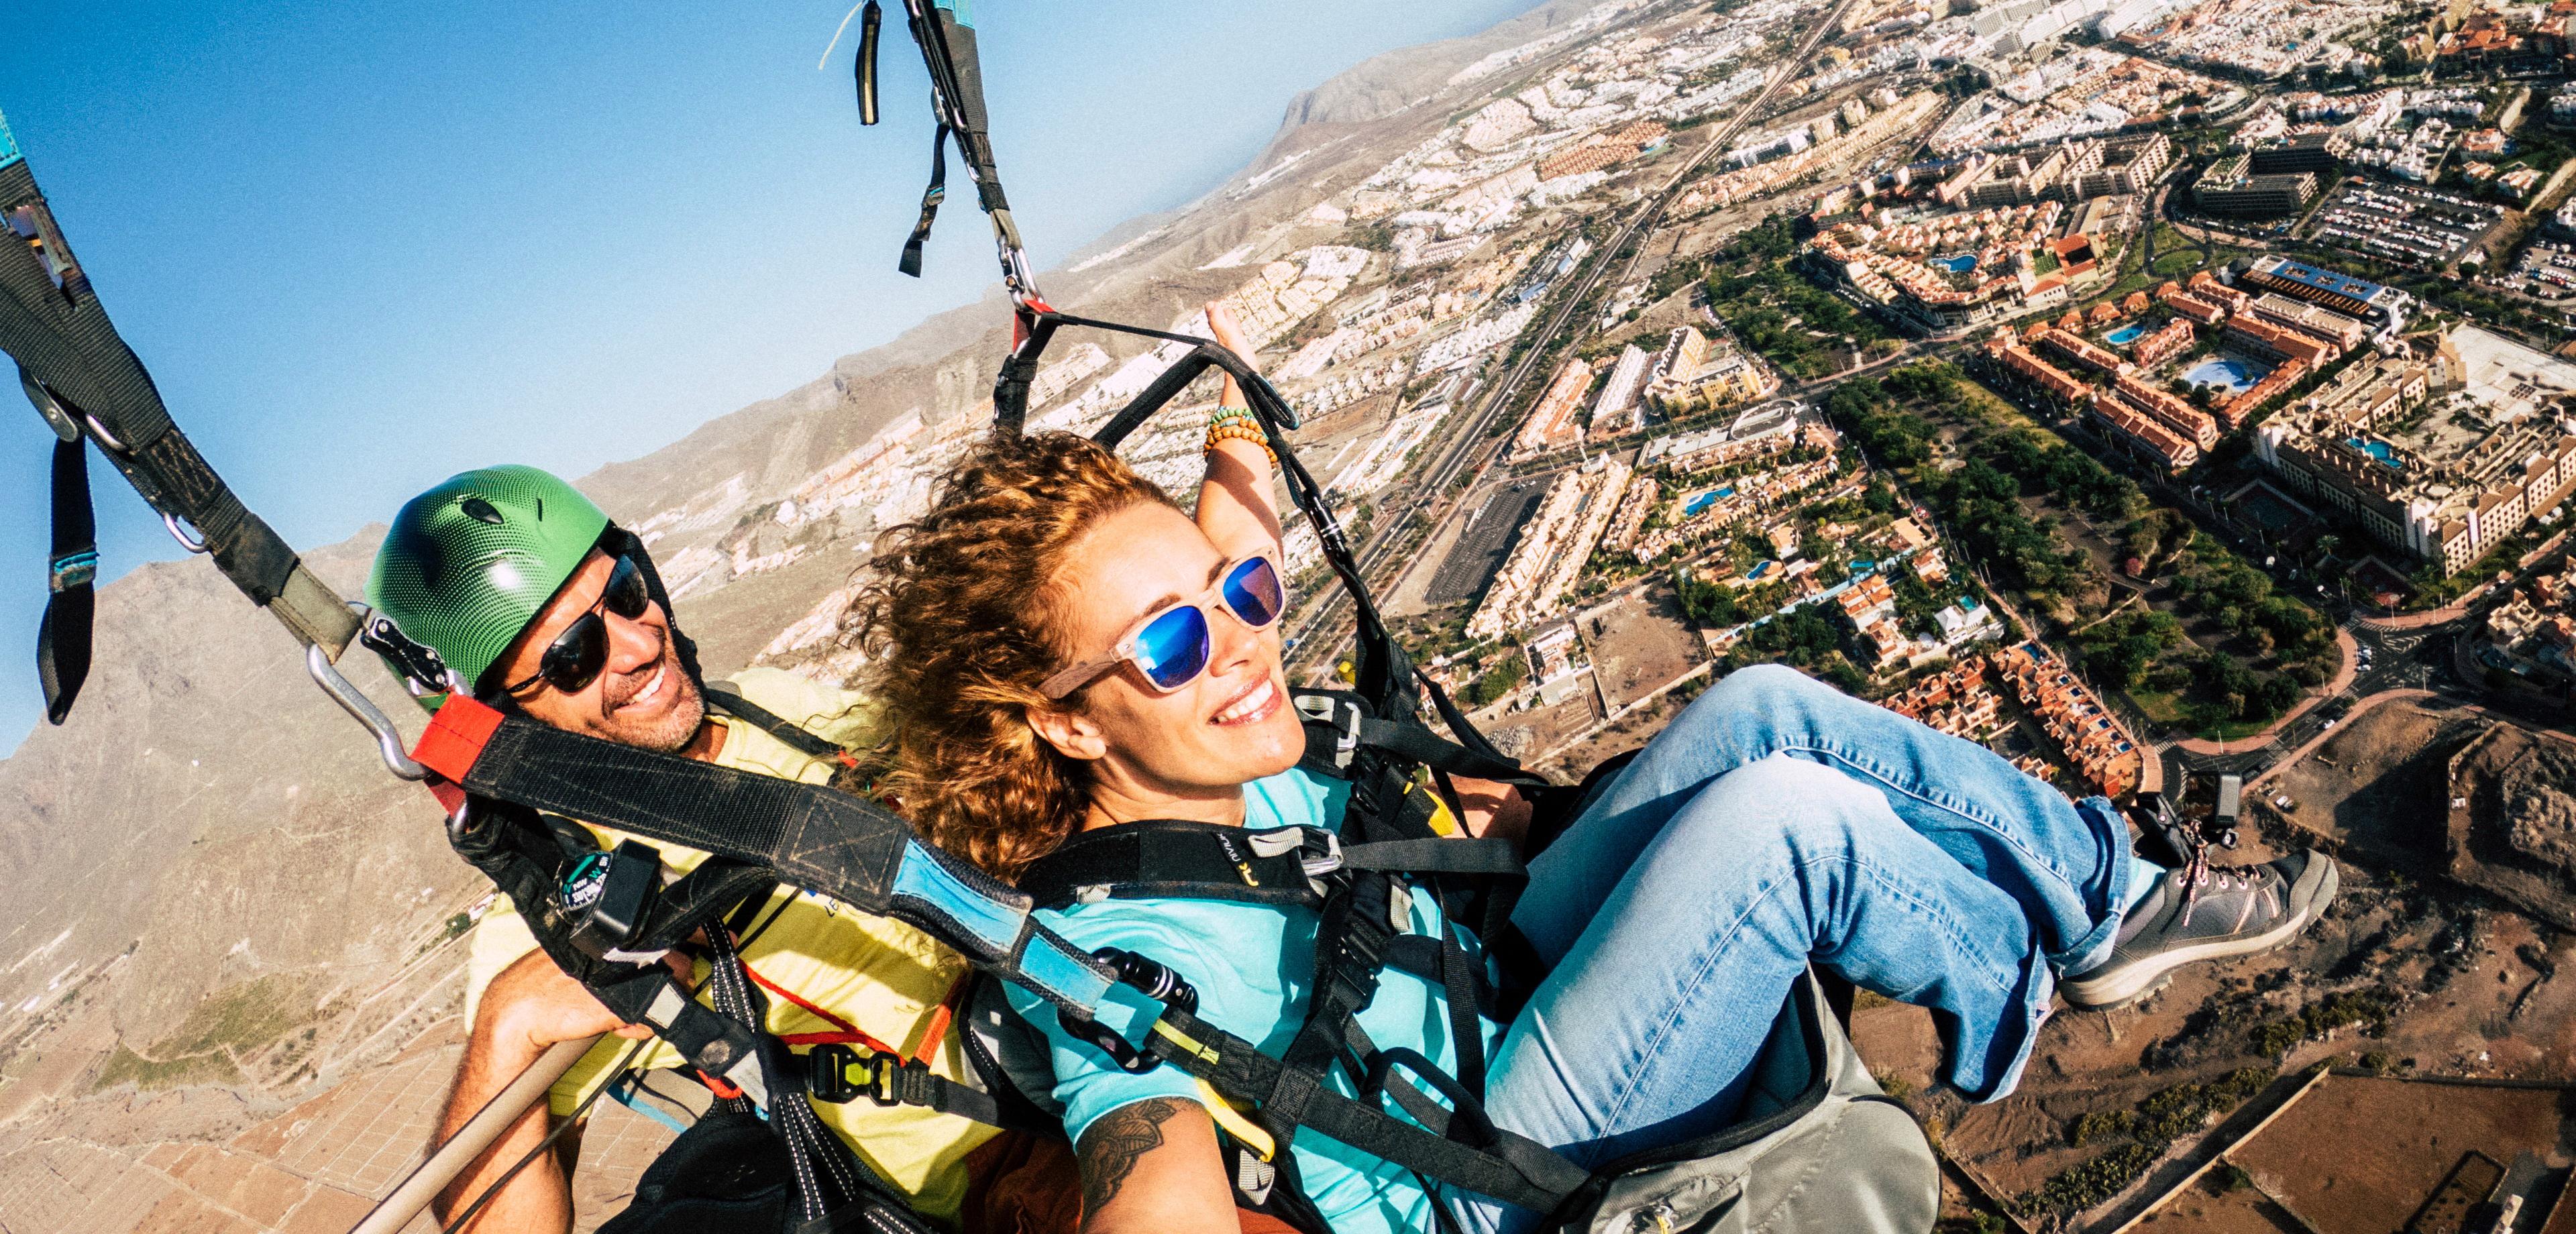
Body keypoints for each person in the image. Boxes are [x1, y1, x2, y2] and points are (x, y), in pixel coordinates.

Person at [849, 304, 2341, 1233]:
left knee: (1760, 707)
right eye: (1173, 642)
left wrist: (1226, 387)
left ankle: (2108, 905)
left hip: (1485, 975)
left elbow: (1239, 536)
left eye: (1236, 602)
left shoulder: (1206, 743)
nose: (1241, 641)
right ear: (1056, 719)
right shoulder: (1108, 950)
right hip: (1483, 1159)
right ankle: (2013, 992)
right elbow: (1148, 1162)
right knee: (1784, 825)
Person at [366, 465, 1022, 1234]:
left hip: (1049, 1008)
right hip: (988, 1174)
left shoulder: (767, 704)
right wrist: (511, 1025)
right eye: (575, 656)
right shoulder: (559, 910)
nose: (642, 643)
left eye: (627, 591)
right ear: (506, 720)